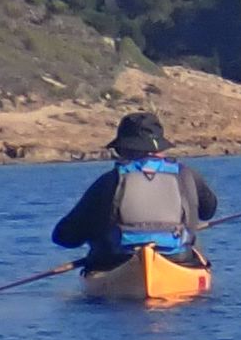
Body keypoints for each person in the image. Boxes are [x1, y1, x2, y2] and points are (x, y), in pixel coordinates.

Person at [52, 112, 218, 268]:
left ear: (124, 149)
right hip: (178, 260)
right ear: (160, 148)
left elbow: (64, 237)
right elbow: (208, 212)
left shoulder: (109, 181)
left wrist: (93, 233)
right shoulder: (187, 175)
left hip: (118, 262)